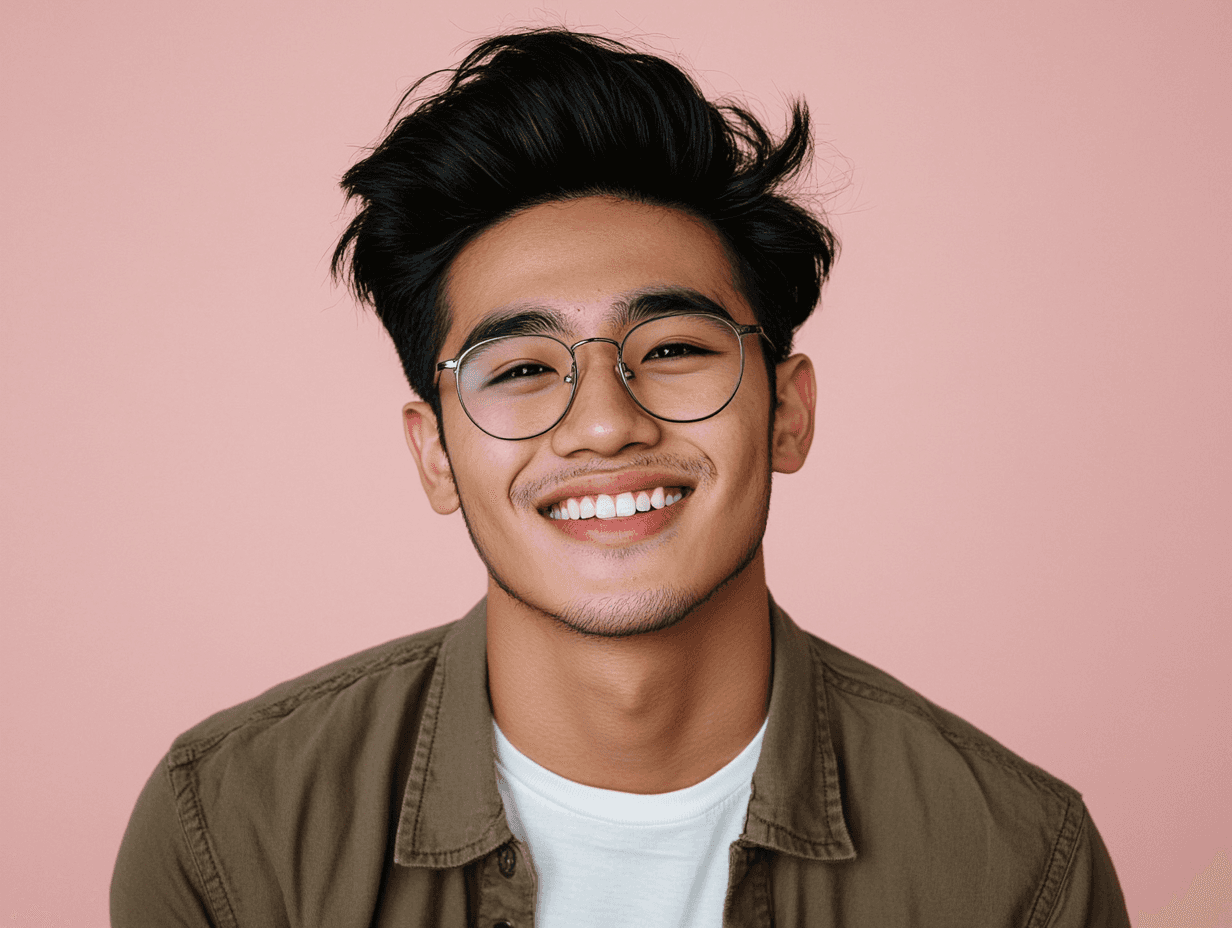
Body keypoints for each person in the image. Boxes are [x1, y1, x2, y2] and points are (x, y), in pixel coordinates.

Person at [111, 29, 1130, 927]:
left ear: (786, 411)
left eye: (674, 348)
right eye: (519, 369)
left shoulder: (1014, 866)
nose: (603, 420)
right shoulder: (230, 834)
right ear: (434, 454)